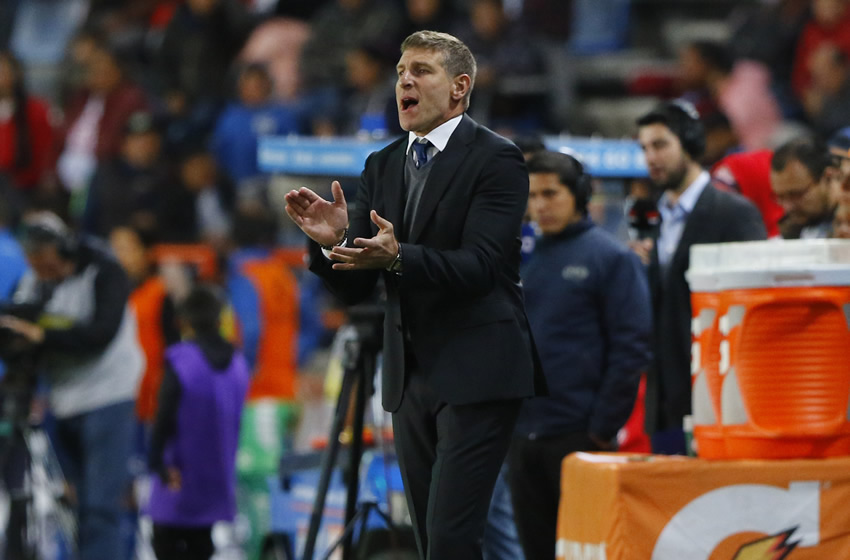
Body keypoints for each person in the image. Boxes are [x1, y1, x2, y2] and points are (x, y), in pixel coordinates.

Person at [284, 30, 544, 559]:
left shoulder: (497, 159)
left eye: (422, 70)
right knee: (431, 540)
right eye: (401, 70)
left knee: (451, 540)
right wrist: (333, 241)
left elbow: (483, 266)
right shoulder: (381, 163)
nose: (405, 78)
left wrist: (399, 256)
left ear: (459, 88)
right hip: (409, 374)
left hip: (480, 370)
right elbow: (358, 281)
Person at [510, 150, 652, 559]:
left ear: (579, 195)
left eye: (551, 194)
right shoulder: (521, 257)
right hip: (523, 435)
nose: (540, 205)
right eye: (533, 195)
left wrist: (602, 427)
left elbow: (631, 347)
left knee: (586, 549)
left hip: (579, 435)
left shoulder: (611, 258)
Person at [0, 211, 144, 559]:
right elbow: (16, 327)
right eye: (32, 260)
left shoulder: (104, 271)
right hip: (63, 401)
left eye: (43, 259)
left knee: (99, 508)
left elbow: (99, 334)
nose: (38, 268)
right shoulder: (34, 283)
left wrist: (41, 335)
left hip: (108, 397)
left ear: (61, 248)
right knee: (73, 506)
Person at [633, 101, 766, 455]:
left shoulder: (734, 213)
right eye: (644, 148)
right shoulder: (653, 217)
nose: (650, 157)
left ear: (689, 142)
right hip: (665, 401)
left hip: (718, 398)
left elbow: (752, 309)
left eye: (660, 145)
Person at [146, 285, 250, 560]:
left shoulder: (182, 360)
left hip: (178, 473)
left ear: (183, 321)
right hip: (216, 474)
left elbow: (164, 414)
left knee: (166, 543)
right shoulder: (238, 363)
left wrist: (156, 461)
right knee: (202, 544)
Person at [770, 135, 837, 239]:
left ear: (828, 178)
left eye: (796, 194)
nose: (787, 207)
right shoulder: (790, 228)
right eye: (780, 197)